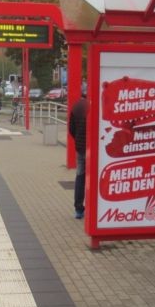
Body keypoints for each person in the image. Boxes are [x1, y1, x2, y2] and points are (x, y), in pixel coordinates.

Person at [68, 87, 89, 220]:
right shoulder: (95, 105)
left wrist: (78, 140)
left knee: (80, 176)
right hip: (94, 149)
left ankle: (78, 209)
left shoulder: (76, 107)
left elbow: (71, 129)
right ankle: (95, 207)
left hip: (80, 148)